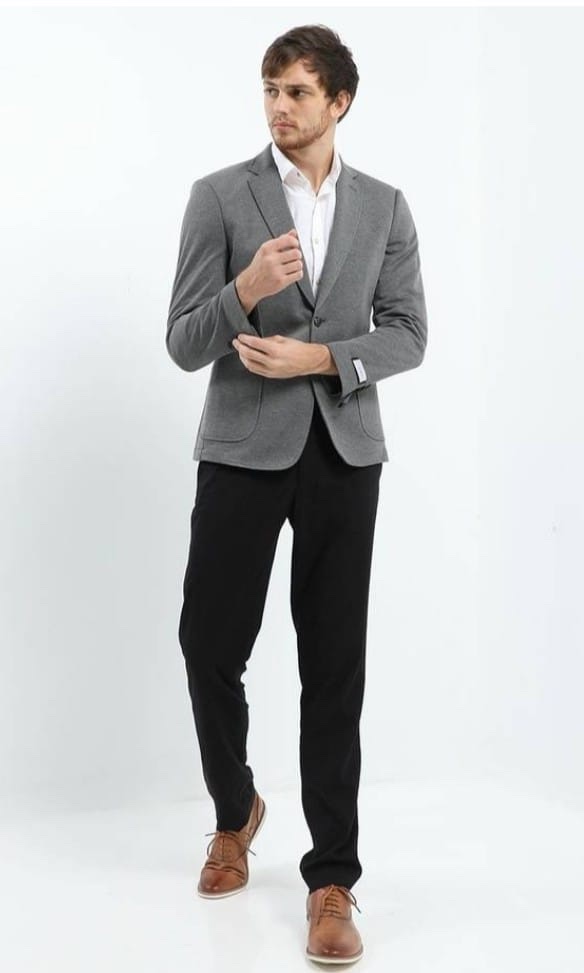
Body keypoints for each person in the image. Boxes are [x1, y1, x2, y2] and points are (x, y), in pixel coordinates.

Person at [166, 23, 427, 965]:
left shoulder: (385, 206)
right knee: (208, 643)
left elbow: (408, 333)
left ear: (339, 102)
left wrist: (320, 358)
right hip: (241, 451)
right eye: (271, 90)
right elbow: (183, 341)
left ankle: (332, 880)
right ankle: (235, 810)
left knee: (334, 665)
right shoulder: (219, 195)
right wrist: (244, 286)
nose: (280, 107)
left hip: (343, 456)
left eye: (299, 92)